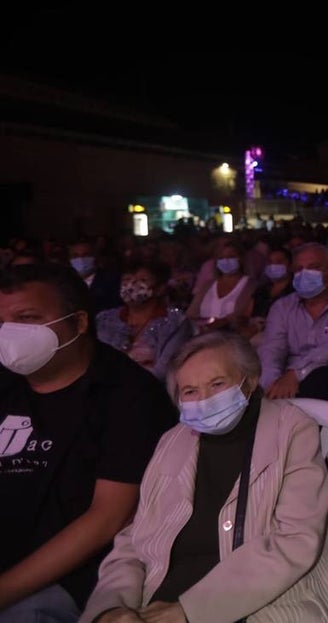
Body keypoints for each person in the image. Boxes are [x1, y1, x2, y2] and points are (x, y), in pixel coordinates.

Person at [78, 331, 328, 622]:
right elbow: (135, 540)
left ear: (250, 381)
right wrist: (111, 607)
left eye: (217, 384)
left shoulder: (291, 430)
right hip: (161, 600)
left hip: (264, 602)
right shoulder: (172, 441)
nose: (204, 401)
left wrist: (190, 612)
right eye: (190, 391)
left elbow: (295, 540)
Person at [0, 262, 177, 621]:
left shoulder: (128, 395)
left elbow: (107, 519)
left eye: (27, 318)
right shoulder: (6, 383)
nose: (9, 333)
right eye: (3, 322)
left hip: (70, 578)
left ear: (78, 323)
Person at [258, 241, 328, 413]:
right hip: (289, 388)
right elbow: (272, 350)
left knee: (320, 377)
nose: (304, 274)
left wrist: (296, 373)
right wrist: (272, 384)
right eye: (299, 269)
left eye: (313, 267)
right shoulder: (282, 307)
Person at [95, 259, 194, 382]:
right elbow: (95, 364)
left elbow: (165, 371)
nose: (131, 285)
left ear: (160, 288)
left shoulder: (176, 322)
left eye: (142, 280)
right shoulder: (104, 320)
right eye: (127, 280)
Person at [184, 237, 257, 335]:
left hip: (231, 338)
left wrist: (220, 323)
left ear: (241, 258)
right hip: (202, 336)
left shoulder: (250, 285)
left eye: (231, 256)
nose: (226, 260)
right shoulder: (208, 286)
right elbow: (191, 314)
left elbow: (241, 316)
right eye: (221, 258)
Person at [67, 237, 122, 313]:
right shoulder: (65, 282)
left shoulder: (112, 281)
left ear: (95, 257)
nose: (81, 259)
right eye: (75, 256)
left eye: (86, 255)